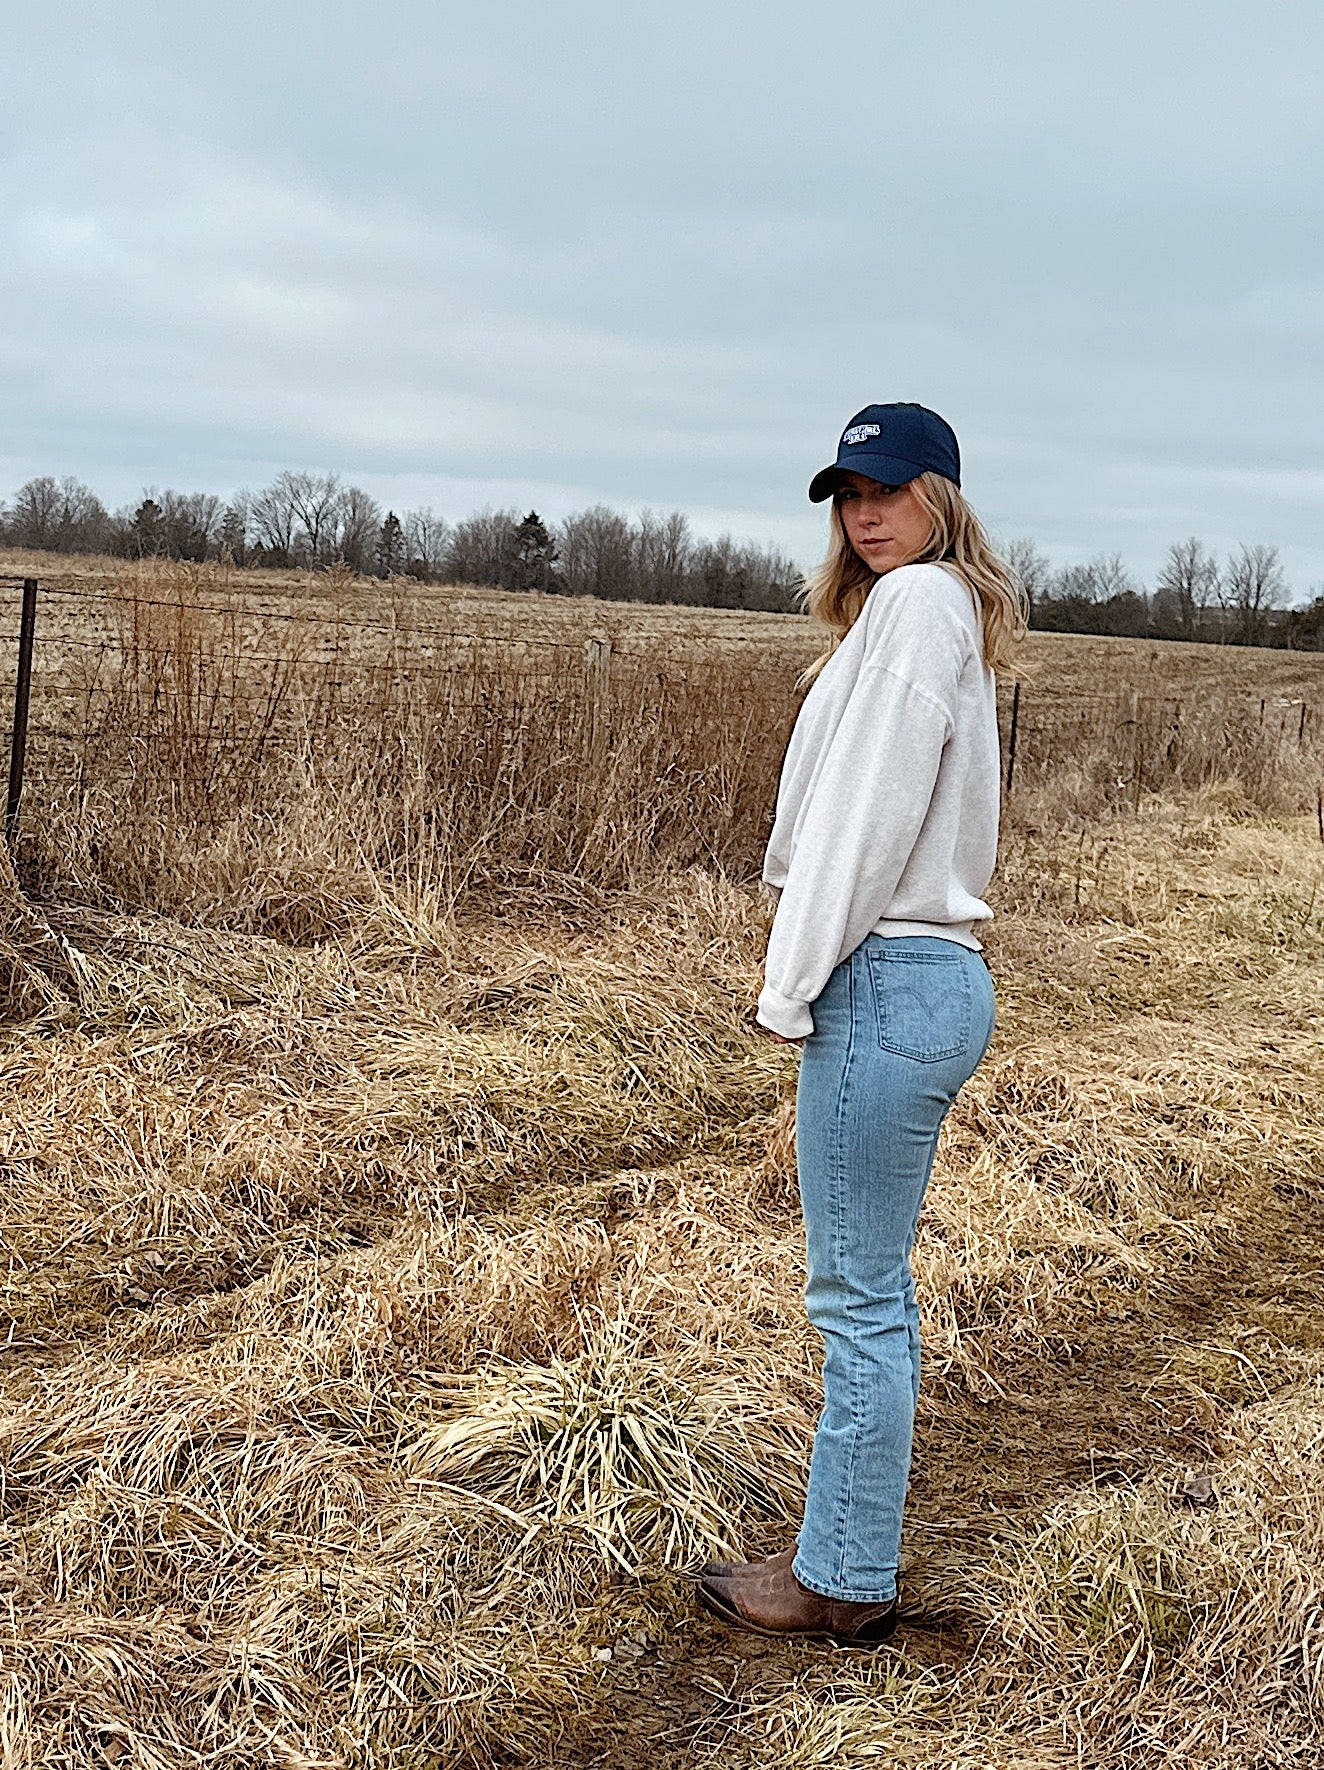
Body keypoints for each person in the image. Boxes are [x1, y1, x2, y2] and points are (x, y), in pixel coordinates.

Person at [694, 402, 1027, 1648]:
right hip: (922, 979)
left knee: (857, 1300)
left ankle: (839, 1576)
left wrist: (787, 983)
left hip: (883, 975)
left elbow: (862, 823)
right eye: (845, 491)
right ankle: (843, 1554)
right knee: (869, 1292)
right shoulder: (939, 614)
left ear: (940, 494)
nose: (862, 510)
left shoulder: (915, 608)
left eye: (885, 487)